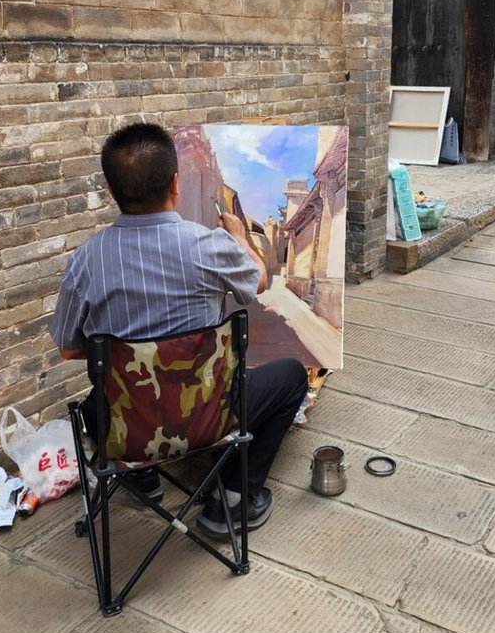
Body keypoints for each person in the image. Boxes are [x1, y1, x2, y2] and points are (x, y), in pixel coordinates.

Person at [50, 122, 308, 537]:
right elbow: (259, 281)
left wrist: (124, 349)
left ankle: (144, 476)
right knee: (292, 375)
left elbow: (68, 349)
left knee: (98, 400)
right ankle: (230, 499)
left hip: (128, 430)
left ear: (112, 192)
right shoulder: (209, 246)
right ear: (176, 184)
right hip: (210, 416)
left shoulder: (85, 260)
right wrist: (241, 238)